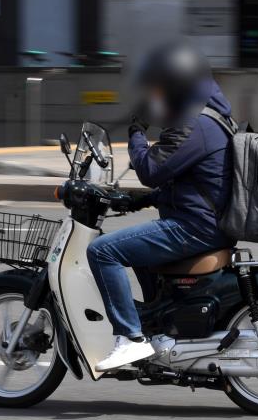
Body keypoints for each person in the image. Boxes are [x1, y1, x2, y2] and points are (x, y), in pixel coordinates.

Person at [86, 41, 235, 372]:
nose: (155, 97)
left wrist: (137, 132)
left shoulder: (195, 123)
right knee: (136, 251)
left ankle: (129, 338)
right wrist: (142, 201)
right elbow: (193, 182)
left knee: (103, 251)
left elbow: (151, 170)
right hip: (205, 222)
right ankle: (156, 328)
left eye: (158, 89)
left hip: (196, 228)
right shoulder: (209, 116)